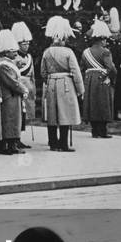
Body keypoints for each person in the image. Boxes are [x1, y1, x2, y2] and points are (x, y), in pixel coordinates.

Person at [40, 16, 84, 152]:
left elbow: (43, 72)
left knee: (52, 115)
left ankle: (53, 142)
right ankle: (63, 144)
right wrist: (80, 89)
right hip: (66, 84)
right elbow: (76, 72)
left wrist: (49, 80)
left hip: (51, 84)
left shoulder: (46, 52)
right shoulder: (68, 52)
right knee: (66, 114)